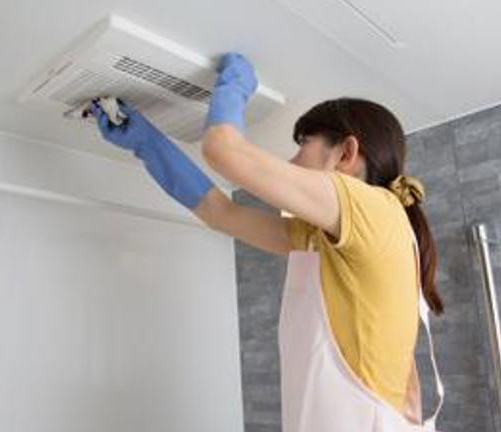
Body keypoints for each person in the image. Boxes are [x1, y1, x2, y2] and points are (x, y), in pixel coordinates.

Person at [89, 52, 445, 431]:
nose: (293, 161)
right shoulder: (333, 235)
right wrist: (148, 145)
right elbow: (221, 214)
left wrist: (235, 87)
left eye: (303, 145)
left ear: (347, 153)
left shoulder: (374, 209)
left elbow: (223, 152)